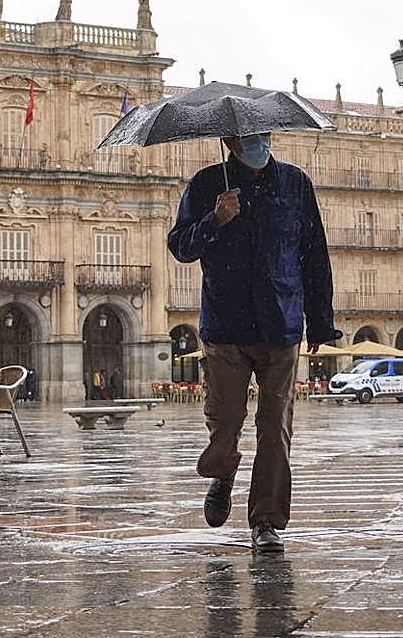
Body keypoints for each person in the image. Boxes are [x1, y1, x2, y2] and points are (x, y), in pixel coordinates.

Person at [168, 132, 339, 552]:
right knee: (225, 422)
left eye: (263, 136)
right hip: (226, 324)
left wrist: (320, 322)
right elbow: (180, 246)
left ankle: (266, 520)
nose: (259, 143)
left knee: (275, 426)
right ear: (230, 141)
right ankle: (224, 473)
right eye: (250, 138)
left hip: (281, 322)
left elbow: (314, 253)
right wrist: (214, 221)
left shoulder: (295, 184)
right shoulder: (207, 184)